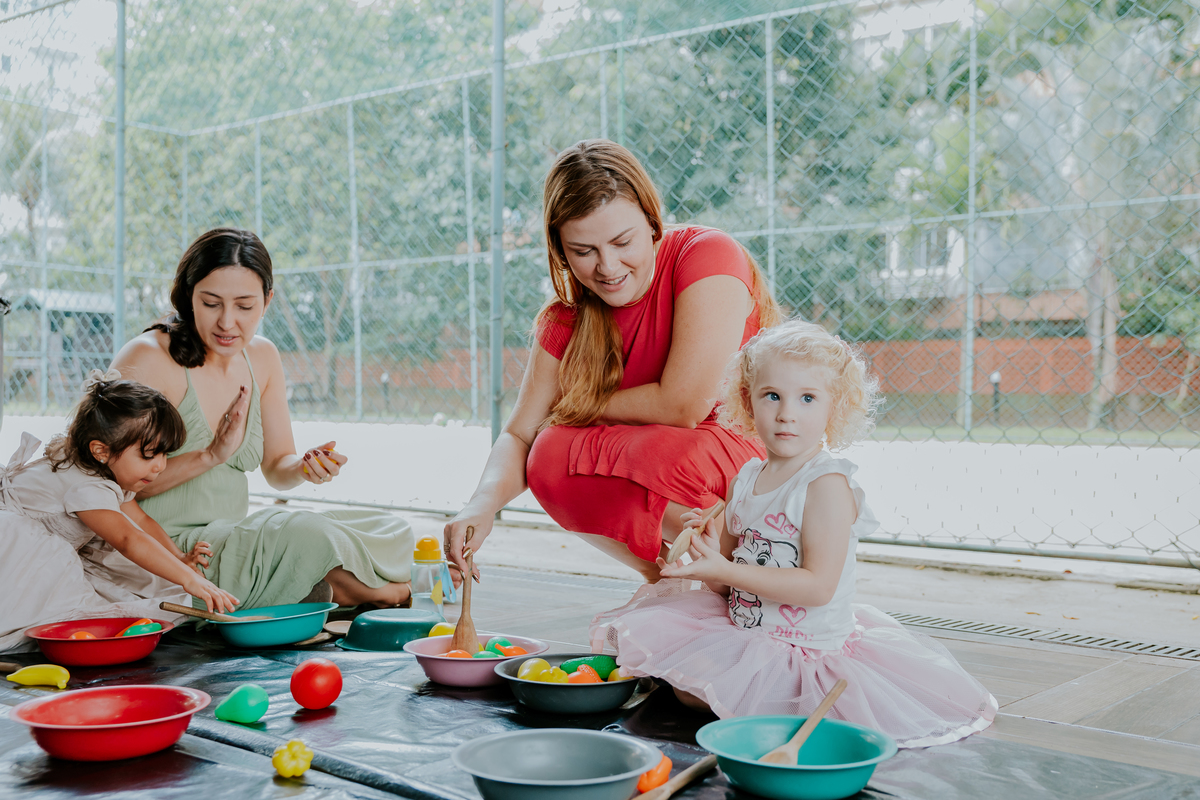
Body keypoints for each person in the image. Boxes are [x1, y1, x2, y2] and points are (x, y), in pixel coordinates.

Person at [588, 320, 997, 747]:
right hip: (744, 629)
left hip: (802, 647)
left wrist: (727, 570)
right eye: (772, 396)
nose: (787, 413)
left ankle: (776, 697)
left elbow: (818, 587)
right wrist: (707, 555)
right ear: (747, 401)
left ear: (833, 408)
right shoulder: (747, 477)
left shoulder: (826, 485)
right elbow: (724, 581)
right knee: (684, 687)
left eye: (807, 398)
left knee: (712, 696)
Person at [444, 140, 780, 582]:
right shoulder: (567, 317)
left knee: (615, 445)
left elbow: (684, 405)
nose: (608, 266)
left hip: (743, 457)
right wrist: (480, 505)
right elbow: (521, 434)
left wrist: (581, 405)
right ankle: (667, 580)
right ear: (560, 250)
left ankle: (744, 568)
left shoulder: (705, 254)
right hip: (653, 459)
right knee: (548, 456)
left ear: (652, 220)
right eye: (583, 251)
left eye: (623, 241)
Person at [109, 227, 414, 609]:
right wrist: (210, 455)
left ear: (267, 301)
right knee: (310, 534)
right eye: (211, 303)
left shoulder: (263, 358)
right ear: (189, 297)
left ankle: (321, 588)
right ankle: (388, 593)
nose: (227, 322)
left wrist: (304, 467)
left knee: (391, 528)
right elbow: (112, 491)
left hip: (236, 536)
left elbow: (276, 468)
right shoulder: (150, 357)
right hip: (177, 547)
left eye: (244, 306)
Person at [1, 373, 238, 650]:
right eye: (149, 455)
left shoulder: (104, 469)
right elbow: (128, 540)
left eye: (165, 454)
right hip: (15, 550)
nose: (160, 466)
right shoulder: (85, 485)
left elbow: (140, 520)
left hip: (41, 546)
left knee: (147, 586)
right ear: (101, 450)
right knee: (62, 610)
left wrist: (179, 558)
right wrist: (189, 580)